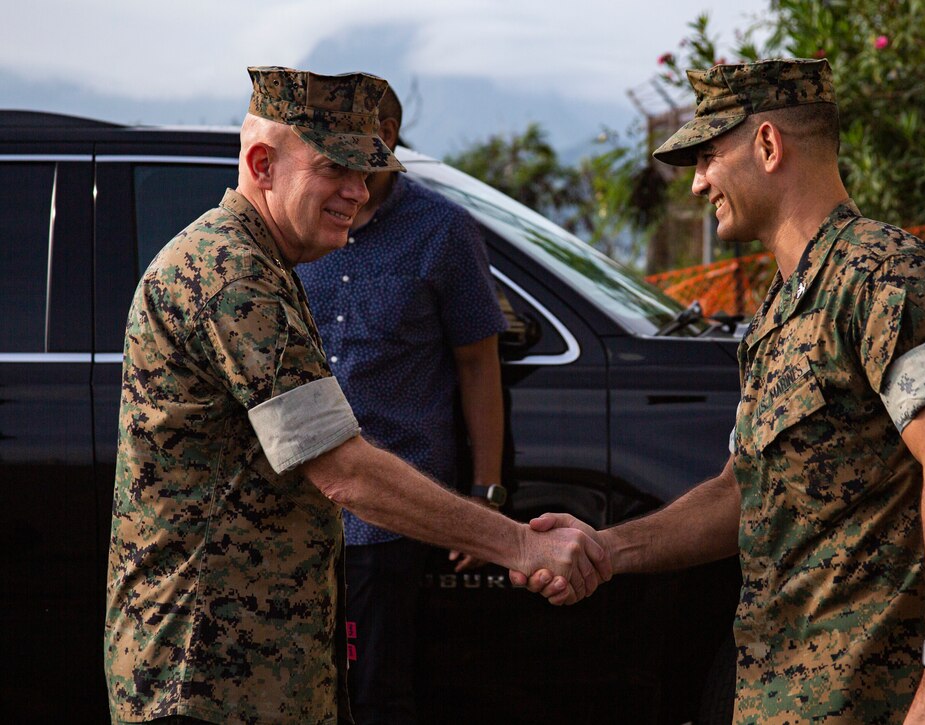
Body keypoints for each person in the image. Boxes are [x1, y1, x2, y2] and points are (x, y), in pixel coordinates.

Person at [103, 66, 608, 725]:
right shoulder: (230, 275)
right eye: (334, 169)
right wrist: (518, 544)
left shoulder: (264, 263)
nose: (358, 191)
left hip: (252, 673)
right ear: (262, 165)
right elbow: (342, 469)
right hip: (205, 677)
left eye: (366, 172)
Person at [518, 58, 925, 723]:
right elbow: (743, 491)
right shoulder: (779, 314)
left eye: (708, 157)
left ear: (768, 145)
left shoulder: (891, 279)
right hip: (790, 698)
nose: (698, 183)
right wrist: (607, 549)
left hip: (890, 700)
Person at [296, 84, 507, 724]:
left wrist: (485, 494)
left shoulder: (441, 230)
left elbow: (479, 364)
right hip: (293, 507)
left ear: (387, 133)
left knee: (373, 696)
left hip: (389, 511)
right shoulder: (295, 227)